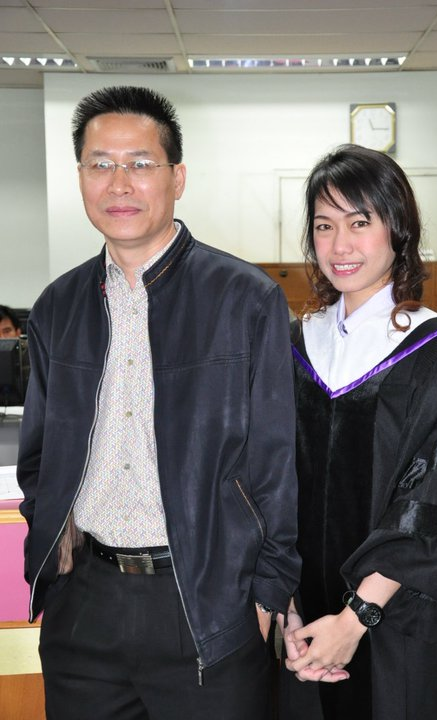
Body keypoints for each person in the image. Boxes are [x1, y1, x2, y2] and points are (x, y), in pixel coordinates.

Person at [17, 85, 301, 720]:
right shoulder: (57, 307)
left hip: (205, 603)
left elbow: (276, 464)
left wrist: (266, 594)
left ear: (177, 177)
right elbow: (39, 458)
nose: (119, 183)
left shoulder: (245, 299)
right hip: (83, 607)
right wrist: (56, 566)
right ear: (81, 177)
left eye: (140, 163)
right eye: (100, 164)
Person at [280, 144, 437, 720]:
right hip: (303, 630)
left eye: (360, 222)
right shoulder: (293, 347)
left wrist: (355, 619)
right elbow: (266, 485)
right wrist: (285, 603)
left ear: (398, 229)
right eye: (324, 225)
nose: (340, 245)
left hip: (400, 630)